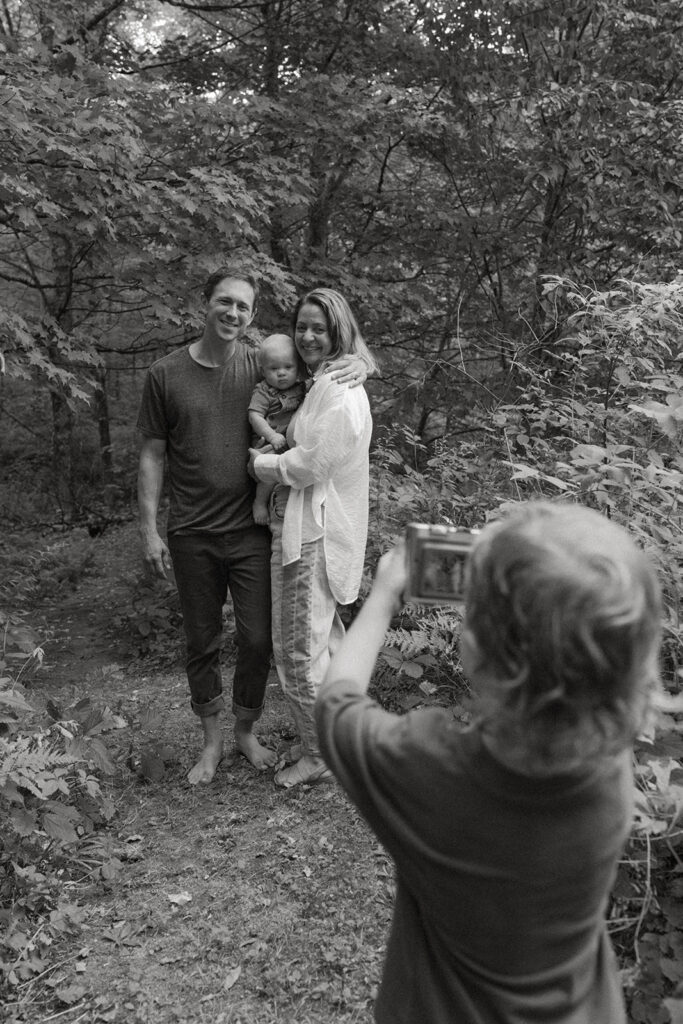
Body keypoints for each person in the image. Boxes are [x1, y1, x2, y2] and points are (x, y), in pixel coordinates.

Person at [316, 502, 662, 1024]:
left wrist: (384, 597)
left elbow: (335, 706)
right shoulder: (608, 764)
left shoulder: (429, 769)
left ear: (472, 650)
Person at [137, 266, 367, 786]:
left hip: (251, 528)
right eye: (224, 302)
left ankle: (246, 730)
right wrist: (148, 529)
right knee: (202, 639)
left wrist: (360, 362)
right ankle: (212, 743)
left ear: (251, 315)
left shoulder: (261, 362)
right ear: (205, 302)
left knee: (261, 639)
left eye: (243, 307)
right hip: (191, 530)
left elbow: (321, 367)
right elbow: (151, 455)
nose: (233, 313)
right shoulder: (165, 375)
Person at [249, 287, 379, 788]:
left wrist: (261, 464)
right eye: (301, 326)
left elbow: (312, 463)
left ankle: (320, 755)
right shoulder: (323, 380)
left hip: (314, 534)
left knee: (300, 649)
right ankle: (339, 739)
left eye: (318, 329)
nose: (306, 336)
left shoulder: (341, 391)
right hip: (307, 528)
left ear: (337, 332)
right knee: (323, 645)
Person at [248, 333, 306, 525]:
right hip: (270, 441)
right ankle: (259, 502)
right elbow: (254, 415)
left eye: (288, 367)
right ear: (263, 371)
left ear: (297, 368)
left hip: (292, 445)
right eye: (274, 368)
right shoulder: (264, 391)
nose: (282, 373)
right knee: (269, 469)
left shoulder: (301, 387)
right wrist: (271, 436)